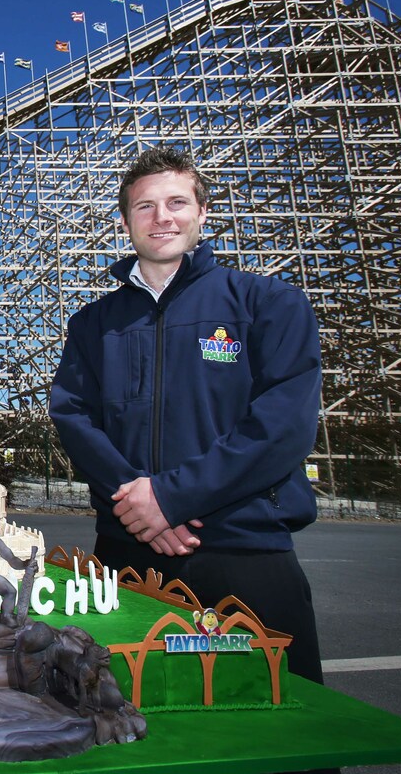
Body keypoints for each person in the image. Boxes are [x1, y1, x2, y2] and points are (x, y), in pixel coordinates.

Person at [49, 145, 329, 692]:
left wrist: (172, 498)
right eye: (144, 207)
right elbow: (74, 416)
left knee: (277, 725)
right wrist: (140, 502)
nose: (162, 217)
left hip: (242, 552)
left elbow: (282, 427)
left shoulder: (267, 303)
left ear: (202, 214)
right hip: (128, 555)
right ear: (125, 221)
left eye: (177, 202)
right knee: (130, 719)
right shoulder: (93, 324)